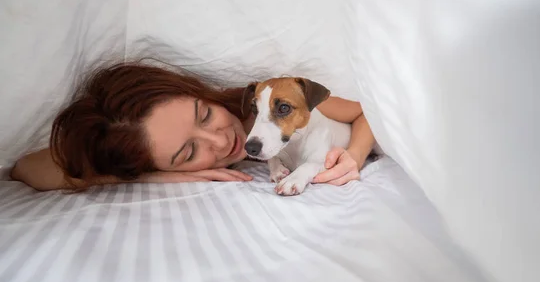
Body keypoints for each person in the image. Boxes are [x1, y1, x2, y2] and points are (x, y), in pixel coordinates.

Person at [10, 61, 376, 191]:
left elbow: (367, 113)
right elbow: (28, 167)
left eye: (204, 115)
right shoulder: (153, 163)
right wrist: (154, 176)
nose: (221, 139)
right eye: (189, 152)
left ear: (198, 93)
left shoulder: (272, 100)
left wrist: (354, 156)